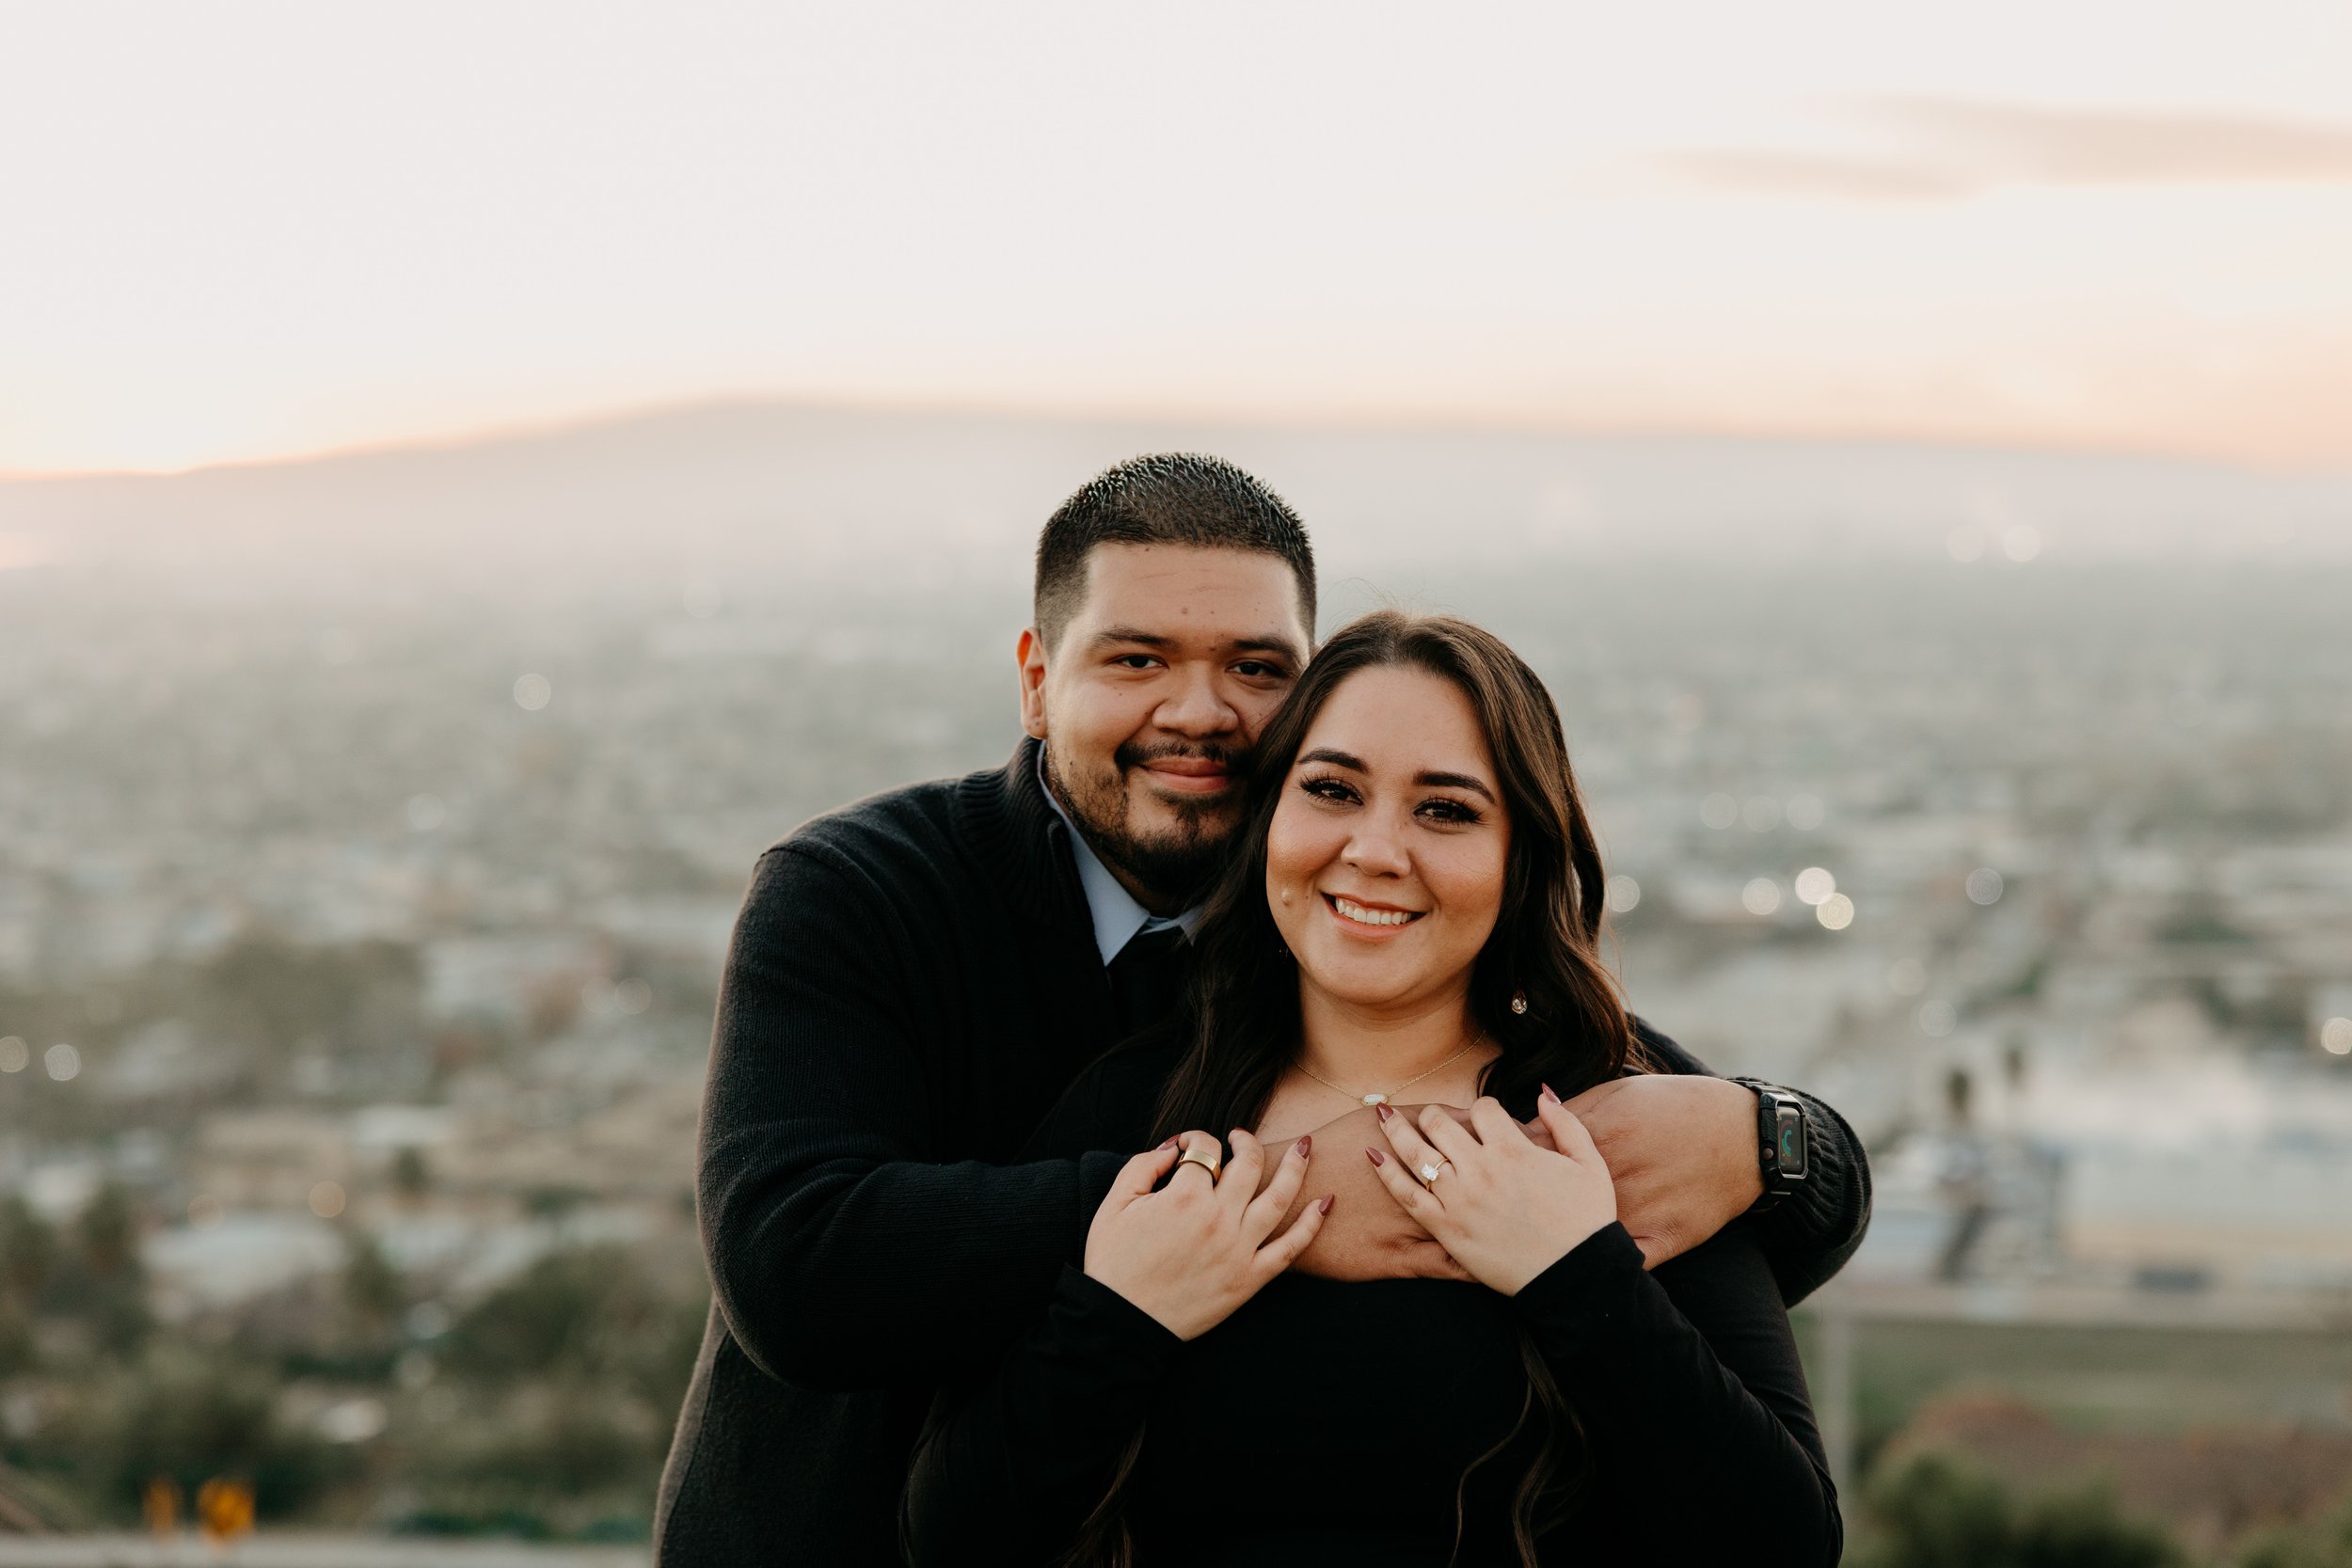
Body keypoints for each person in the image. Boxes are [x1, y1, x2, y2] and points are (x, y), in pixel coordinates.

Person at [653, 454, 1869, 1567]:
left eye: (1255, 668)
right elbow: (793, 1267)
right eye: (1136, 660)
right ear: (1035, 680)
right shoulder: (869, 893)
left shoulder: (1393, 991)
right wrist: (1266, 1193)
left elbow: (1685, 1187)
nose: (1199, 711)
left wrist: (1772, 1139)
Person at [902, 612, 1840, 1566]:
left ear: (1520, 855)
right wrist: (1120, 1318)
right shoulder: (1139, 1107)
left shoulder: (1611, 1120)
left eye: (1445, 809)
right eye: (1331, 789)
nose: (1375, 848)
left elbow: (1783, 1536)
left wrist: (1573, 1273)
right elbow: (949, 1535)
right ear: (1270, 817)